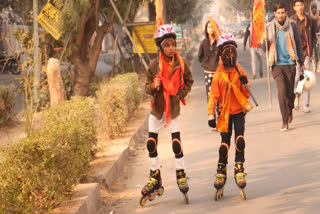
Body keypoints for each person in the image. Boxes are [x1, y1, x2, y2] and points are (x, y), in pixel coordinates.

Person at [141, 24, 194, 203]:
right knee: (150, 144)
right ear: (161, 47)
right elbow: (147, 87)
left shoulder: (181, 63)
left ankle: (181, 173)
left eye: (173, 45)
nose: (171, 48)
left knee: (176, 144)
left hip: (173, 108)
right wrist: (154, 86)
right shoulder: (154, 65)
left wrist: (180, 94)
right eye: (167, 45)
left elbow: (189, 80)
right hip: (157, 109)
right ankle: (155, 176)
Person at [207, 33, 252, 199]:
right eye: (227, 53)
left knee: (240, 140)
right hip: (224, 114)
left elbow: (246, 94)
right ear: (221, 54)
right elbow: (213, 96)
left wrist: (244, 83)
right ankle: (221, 170)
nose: (231, 56)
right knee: (224, 144)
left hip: (239, 112)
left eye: (233, 53)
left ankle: (239, 168)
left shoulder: (240, 70)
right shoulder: (218, 74)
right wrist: (211, 114)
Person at [264, 2, 305, 131]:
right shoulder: (269, 27)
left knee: (289, 93)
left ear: (286, 12)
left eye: (282, 12)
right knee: (282, 92)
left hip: (290, 63)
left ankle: (290, 110)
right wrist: (264, 40)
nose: (280, 15)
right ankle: (284, 120)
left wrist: (302, 63)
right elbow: (264, 48)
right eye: (278, 13)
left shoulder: (292, 25)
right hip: (276, 64)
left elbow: (298, 44)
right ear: (274, 14)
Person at [291, 0, 317, 113]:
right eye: (297, 5)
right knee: (297, 77)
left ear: (303, 6)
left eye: (301, 5)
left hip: (306, 53)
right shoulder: (291, 21)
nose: (300, 7)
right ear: (294, 7)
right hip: (295, 54)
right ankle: (296, 96)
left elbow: (313, 36)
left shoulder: (310, 20)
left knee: (306, 77)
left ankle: (306, 104)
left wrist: (311, 51)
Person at [198, 20, 220, 100]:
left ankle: (219, 111)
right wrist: (205, 64)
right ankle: (211, 112)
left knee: (218, 94)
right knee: (210, 95)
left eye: (212, 27)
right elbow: (200, 56)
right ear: (206, 29)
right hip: (208, 73)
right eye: (209, 27)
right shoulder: (204, 43)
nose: (211, 29)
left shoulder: (219, 42)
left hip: (218, 73)